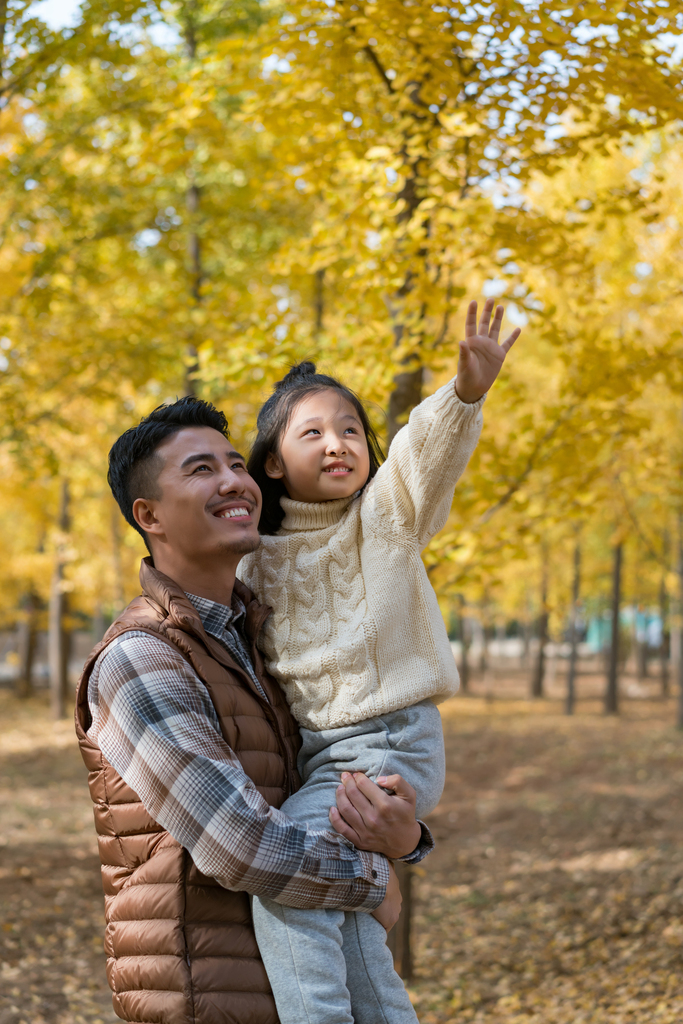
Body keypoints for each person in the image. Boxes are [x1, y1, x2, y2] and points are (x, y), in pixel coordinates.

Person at [74, 397, 434, 1024]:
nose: (234, 480)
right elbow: (239, 846)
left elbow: (332, 788)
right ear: (148, 515)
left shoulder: (263, 644)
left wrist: (405, 839)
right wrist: (374, 879)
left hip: (300, 994)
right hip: (207, 1001)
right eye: (200, 469)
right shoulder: (141, 661)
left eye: (236, 463)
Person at [240, 298, 521, 1024]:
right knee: (349, 912)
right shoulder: (253, 563)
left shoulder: (382, 520)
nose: (339, 442)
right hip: (327, 757)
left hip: (385, 743)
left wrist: (463, 394)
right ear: (272, 463)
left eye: (350, 429)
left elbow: (420, 459)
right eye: (313, 433)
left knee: (286, 878)